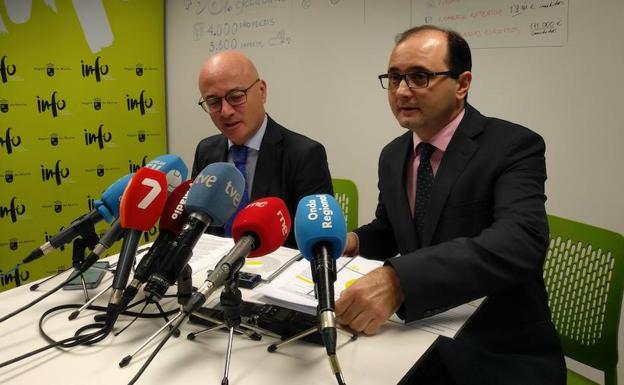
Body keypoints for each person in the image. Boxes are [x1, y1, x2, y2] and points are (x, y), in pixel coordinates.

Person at [334, 25, 566, 385]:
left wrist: (400, 280)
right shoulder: (394, 154)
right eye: (394, 78)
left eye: (420, 77)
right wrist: (353, 241)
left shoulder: (513, 146)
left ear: (462, 84)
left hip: (497, 349)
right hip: (417, 335)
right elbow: (393, 229)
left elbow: (521, 241)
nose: (401, 91)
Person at [192, 51, 333, 248]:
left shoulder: (305, 155)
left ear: (262, 91)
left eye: (236, 97)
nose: (226, 111)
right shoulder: (206, 152)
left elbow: (314, 243)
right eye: (214, 102)